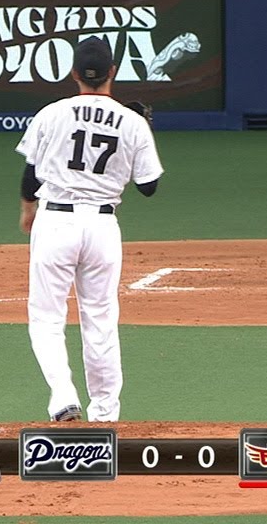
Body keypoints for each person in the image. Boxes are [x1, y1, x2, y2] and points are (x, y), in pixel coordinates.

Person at [15, 38, 165, 422]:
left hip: (55, 221)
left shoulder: (51, 113)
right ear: (113, 71)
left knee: (47, 317)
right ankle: (106, 415)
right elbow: (149, 187)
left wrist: (28, 209)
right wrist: (141, 130)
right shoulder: (131, 121)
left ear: (74, 74)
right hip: (102, 228)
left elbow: (31, 175)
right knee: (100, 320)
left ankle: (63, 397)